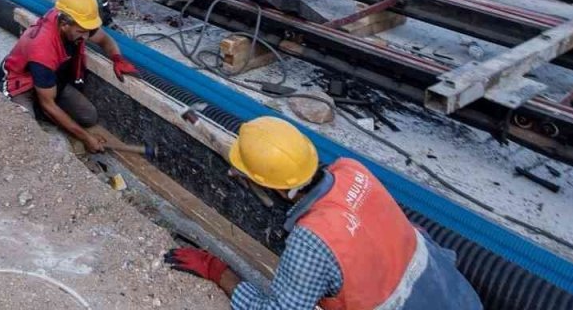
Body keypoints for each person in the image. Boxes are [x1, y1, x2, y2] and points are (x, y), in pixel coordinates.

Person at [164, 117, 483, 310]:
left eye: (246, 176)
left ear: (272, 187)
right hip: (461, 298)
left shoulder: (312, 241)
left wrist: (218, 271)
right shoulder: (353, 170)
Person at [0, 0, 137, 153]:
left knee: (88, 116)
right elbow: (48, 105)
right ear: (64, 25)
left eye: (88, 31)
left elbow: (105, 39)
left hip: (49, 82)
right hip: (20, 85)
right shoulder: (43, 49)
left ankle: (45, 111)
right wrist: (86, 138)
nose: (86, 37)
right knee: (26, 130)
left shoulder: (77, 23)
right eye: (81, 32)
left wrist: (117, 58)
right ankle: (35, 112)